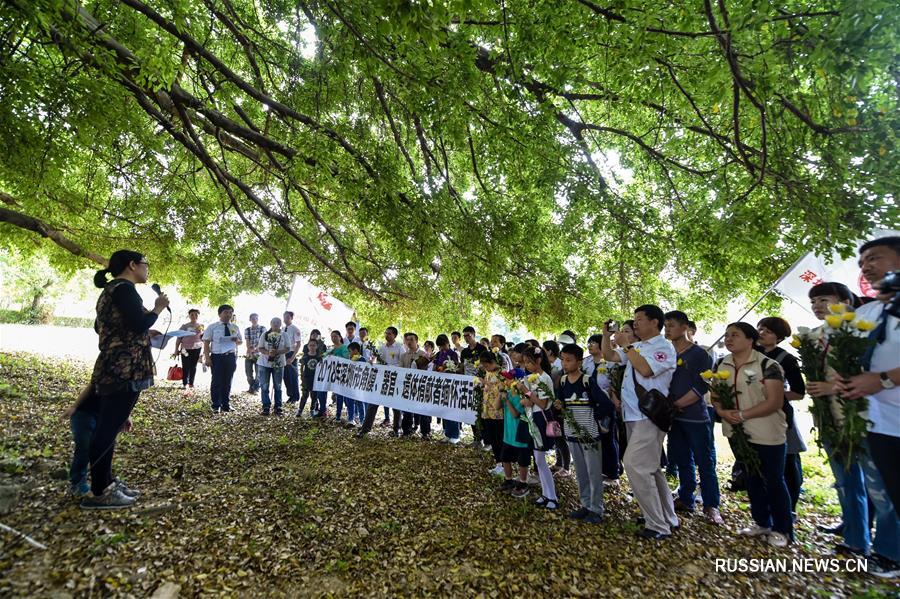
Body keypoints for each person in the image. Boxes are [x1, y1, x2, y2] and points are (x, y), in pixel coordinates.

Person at [81, 250, 168, 509]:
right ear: (132, 265)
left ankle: (106, 482)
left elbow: (103, 326)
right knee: (107, 429)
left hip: (113, 365)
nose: (147, 269)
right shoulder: (124, 289)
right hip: (124, 367)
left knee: (110, 425)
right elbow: (139, 323)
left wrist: (140, 331)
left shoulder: (111, 290)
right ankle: (100, 492)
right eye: (145, 264)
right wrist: (158, 308)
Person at [834, 236, 900, 578]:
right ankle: (889, 553)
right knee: (886, 491)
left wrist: (884, 379)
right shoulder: (866, 312)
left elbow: (880, 375)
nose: (867, 267)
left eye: (874, 258)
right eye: (862, 263)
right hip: (876, 421)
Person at [805, 281, 873, 552]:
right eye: (813, 302)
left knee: (876, 484)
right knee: (846, 480)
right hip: (829, 419)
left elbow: (874, 373)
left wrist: (833, 387)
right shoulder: (814, 336)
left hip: (864, 418)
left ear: (845, 301)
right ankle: (855, 536)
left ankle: (880, 547)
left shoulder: (861, 330)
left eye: (824, 299)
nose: (817, 306)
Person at [601, 305, 678, 540]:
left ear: (655, 322)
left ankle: (657, 524)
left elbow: (645, 369)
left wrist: (627, 345)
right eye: (634, 319)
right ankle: (668, 518)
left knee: (634, 464)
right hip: (633, 415)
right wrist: (606, 336)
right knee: (651, 468)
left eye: (640, 319)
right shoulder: (640, 346)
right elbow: (610, 356)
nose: (635, 323)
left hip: (648, 416)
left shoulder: (663, 346)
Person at [714, 322, 792, 548]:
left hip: (766, 431)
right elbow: (715, 394)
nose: (729, 339)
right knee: (751, 477)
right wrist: (722, 412)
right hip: (736, 432)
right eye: (727, 335)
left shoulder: (768, 365)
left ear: (751, 340)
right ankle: (762, 522)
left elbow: (775, 401)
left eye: (735, 335)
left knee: (773, 480)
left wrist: (742, 414)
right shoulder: (722, 364)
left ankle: (783, 529)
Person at [663, 311, 721, 525]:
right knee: (682, 460)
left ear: (685, 327)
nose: (667, 329)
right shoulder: (666, 352)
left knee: (704, 462)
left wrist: (678, 404)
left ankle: (711, 505)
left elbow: (702, 385)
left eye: (671, 325)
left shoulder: (699, 354)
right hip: (673, 418)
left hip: (695, 417)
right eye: (665, 325)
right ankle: (686, 498)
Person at [757, 316, 807, 519]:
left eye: (767, 331)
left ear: (778, 337)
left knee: (787, 462)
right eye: (760, 329)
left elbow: (799, 392)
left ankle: (790, 508)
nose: (761, 333)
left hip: (780, 415)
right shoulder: (751, 354)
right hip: (754, 414)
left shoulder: (786, 359)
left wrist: (773, 394)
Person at [558, 344, 608, 522]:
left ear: (579, 362)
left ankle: (597, 509)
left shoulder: (587, 381)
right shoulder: (563, 381)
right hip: (571, 433)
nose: (565, 363)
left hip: (589, 434)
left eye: (569, 360)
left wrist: (595, 419)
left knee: (593, 472)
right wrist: (559, 405)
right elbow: (561, 402)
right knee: (580, 471)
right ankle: (586, 505)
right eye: (563, 360)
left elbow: (605, 404)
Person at [515, 346, 559, 506]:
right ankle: (546, 494)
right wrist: (524, 397)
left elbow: (542, 403)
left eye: (529, 362)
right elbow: (527, 400)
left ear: (539, 360)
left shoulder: (545, 378)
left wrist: (526, 392)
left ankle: (552, 497)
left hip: (541, 420)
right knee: (538, 460)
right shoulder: (529, 377)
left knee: (540, 460)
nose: (526, 365)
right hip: (531, 418)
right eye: (525, 362)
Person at [583, 334, 619, 482]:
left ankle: (612, 472)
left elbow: (615, 383)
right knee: (593, 437)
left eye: (593, 343)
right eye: (589, 343)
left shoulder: (611, 362)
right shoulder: (586, 362)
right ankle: (597, 469)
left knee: (608, 438)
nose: (590, 345)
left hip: (606, 404)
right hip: (589, 404)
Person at [202, 305, 242, 412]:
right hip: (217, 356)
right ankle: (216, 405)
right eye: (226, 312)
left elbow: (240, 341)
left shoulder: (235, 327)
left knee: (228, 381)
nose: (228, 315)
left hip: (230, 356)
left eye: (230, 312)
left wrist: (237, 341)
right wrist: (207, 358)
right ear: (219, 314)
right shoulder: (212, 327)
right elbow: (206, 343)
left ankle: (226, 404)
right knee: (216, 381)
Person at [477, 351, 506, 476]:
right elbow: (487, 388)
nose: (486, 368)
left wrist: (486, 384)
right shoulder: (488, 372)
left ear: (493, 362)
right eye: (484, 366)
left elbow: (502, 390)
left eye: (487, 365)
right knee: (493, 438)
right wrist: (483, 385)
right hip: (487, 410)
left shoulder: (502, 373)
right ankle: (498, 463)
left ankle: (504, 465)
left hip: (498, 412)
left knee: (499, 438)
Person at [256, 317, 290, 415]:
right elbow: (260, 348)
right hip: (264, 363)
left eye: (278, 322)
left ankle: (278, 406)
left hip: (279, 364)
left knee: (278, 386)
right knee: (264, 386)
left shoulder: (284, 335)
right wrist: (268, 353)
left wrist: (277, 352)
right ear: (270, 323)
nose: (276, 324)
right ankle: (266, 406)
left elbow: (288, 348)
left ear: (280, 324)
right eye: (274, 322)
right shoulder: (265, 334)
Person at [433, 334, 462, 443]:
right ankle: (447, 433)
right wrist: (438, 368)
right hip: (441, 384)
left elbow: (456, 367)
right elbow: (435, 366)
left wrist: (447, 368)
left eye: (443, 345)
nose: (442, 348)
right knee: (444, 409)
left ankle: (455, 435)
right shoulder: (438, 354)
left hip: (452, 384)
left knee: (452, 408)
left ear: (447, 343)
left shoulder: (453, 354)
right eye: (440, 346)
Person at [397, 333, 427, 437]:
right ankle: (406, 430)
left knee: (423, 410)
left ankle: (425, 432)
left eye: (411, 340)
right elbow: (400, 369)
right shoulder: (403, 356)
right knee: (407, 410)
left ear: (416, 341)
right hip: (407, 386)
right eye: (407, 340)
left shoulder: (423, 354)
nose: (409, 342)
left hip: (420, 386)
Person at [173, 309, 204, 392]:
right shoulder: (184, 326)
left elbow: (203, 338)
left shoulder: (201, 326)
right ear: (189, 316)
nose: (194, 316)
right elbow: (179, 338)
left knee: (193, 366)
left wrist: (206, 350)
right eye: (192, 314)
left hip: (196, 349)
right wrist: (176, 350)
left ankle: (191, 383)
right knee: (186, 365)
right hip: (185, 349)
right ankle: (185, 383)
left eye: (196, 314)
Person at [281, 311, 302, 405]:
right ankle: (290, 395)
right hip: (283, 354)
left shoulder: (295, 329)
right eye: (284, 317)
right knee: (285, 376)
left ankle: (295, 396)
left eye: (288, 317)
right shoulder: (282, 329)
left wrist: (293, 357)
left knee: (292, 376)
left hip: (291, 354)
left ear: (291, 318)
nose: (285, 319)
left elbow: (298, 344)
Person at [298, 339, 322, 418]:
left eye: (314, 345)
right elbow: (301, 368)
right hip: (306, 378)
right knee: (304, 395)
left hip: (315, 379)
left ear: (317, 346)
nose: (312, 347)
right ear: (308, 346)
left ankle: (312, 410)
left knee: (314, 396)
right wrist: (302, 378)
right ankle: (300, 410)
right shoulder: (305, 357)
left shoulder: (319, 357)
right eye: (310, 345)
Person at [244, 313, 266, 395]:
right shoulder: (247, 330)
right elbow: (247, 341)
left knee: (258, 374)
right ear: (250, 319)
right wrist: (250, 350)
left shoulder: (263, 328)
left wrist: (256, 349)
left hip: (259, 354)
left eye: (256, 318)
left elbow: (263, 340)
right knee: (248, 373)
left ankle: (255, 388)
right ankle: (252, 387)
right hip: (249, 354)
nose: (254, 320)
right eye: (253, 318)